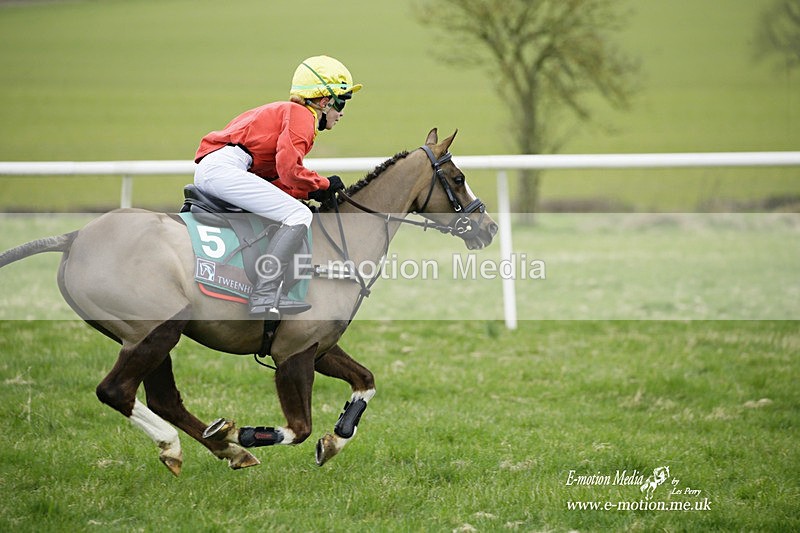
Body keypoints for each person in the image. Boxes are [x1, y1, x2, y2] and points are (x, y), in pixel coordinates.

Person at [193, 55, 362, 320]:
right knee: (299, 215)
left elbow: (276, 181)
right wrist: (323, 184)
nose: (341, 113)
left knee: (293, 209)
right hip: (224, 169)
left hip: (220, 168)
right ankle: (265, 293)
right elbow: (289, 170)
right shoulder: (301, 116)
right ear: (323, 101)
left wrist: (310, 191)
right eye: (341, 102)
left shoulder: (290, 113)